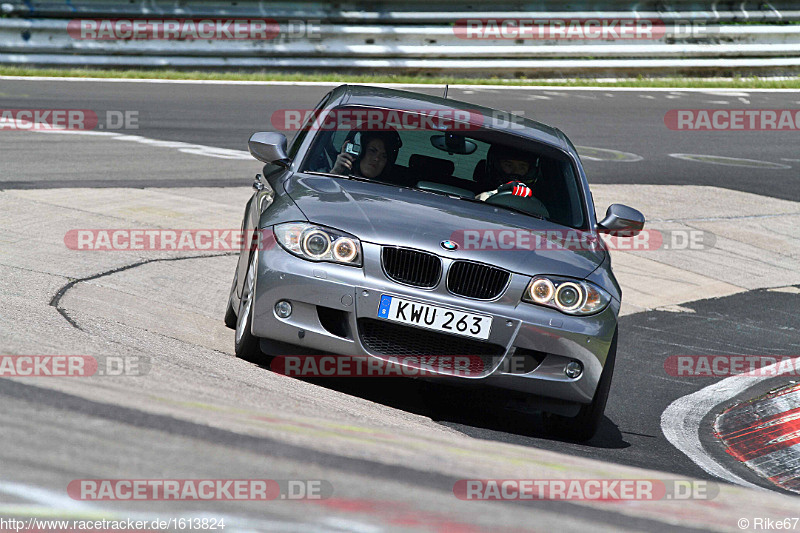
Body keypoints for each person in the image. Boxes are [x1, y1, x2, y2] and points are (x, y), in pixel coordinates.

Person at [331, 129, 402, 180]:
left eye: (384, 156)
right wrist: (336, 173)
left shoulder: (391, 193)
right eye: (372, 151)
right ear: (359, 151)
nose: (377, 158)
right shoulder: (339, 181)